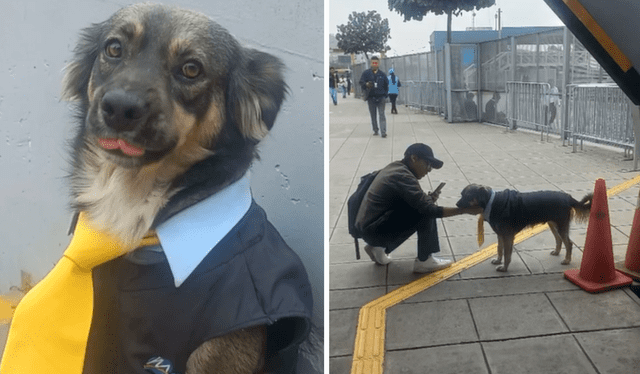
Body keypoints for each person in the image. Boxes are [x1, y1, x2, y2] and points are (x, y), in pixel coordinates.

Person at [354, 143, 482, 273]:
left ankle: (376, 248)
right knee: (426, 212)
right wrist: (464, 210)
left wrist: (428, 199)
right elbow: (428, 209)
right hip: (374, 230)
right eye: (427, 163)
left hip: (368, 225)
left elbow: (408, 201)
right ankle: (425, 260)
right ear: (414, 158)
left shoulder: (395, 167)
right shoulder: (403, 176)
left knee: (422, 206)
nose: (429, 169)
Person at [359, 56, 389, 137]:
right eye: (373, 62)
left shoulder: (382, 74)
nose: (375, 64)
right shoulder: (366, 73)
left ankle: (383, 132)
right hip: (371, 97)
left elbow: (386, 85)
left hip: (381, 97)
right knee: (373, 115)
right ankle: (375, 129)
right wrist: (366, 84)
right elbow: (361, 82)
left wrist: (385, 95)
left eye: (376, 63)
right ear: (371, 63)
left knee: (382, 114)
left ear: (378, 64)